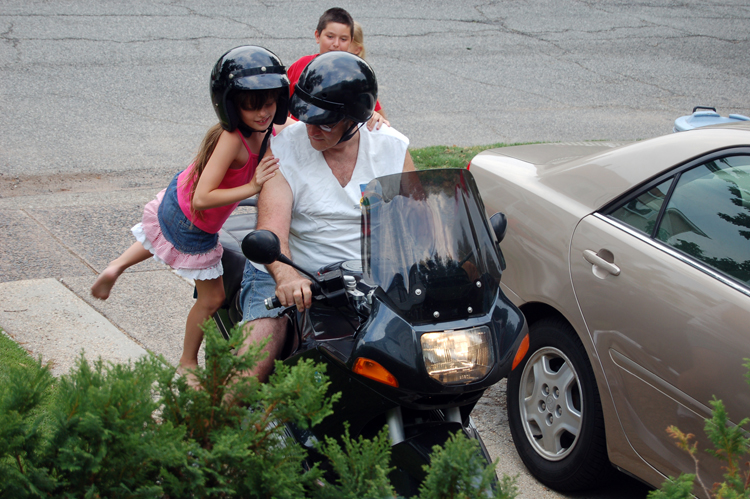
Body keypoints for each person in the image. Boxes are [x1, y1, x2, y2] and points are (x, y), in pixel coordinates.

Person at [91, 46, 290, 377]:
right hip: (194, 220)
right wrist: (252, 187)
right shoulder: (232, 138)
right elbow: (202, 198)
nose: (263, 114)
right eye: (252, 107)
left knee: (160, 235)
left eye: (269, 105)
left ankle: (117, 265)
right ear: (230, 105)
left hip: (176, 206)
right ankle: (186, 362)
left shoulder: (263, 128)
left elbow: (295, 124)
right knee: (213, 300)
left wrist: (370, 117)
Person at [239, 51, 415, 382]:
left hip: (370, 284)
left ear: (355, 119)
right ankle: (213, 429)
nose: (312, 130)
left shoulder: (390, 149)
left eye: (326, 122)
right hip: (291, 269)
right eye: (307, 118)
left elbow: (419, 222)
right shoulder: (285, 150)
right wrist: (287, 278)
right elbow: (272, 230)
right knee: (250, 369)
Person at [286, 7, 388, 128]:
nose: (336, 44)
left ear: (351, 41)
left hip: (336, 142)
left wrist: (376, 117)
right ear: (317, 36)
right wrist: (297, 129)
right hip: (300, 138)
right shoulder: (301, 66)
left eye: (343, 39)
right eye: (330, 37)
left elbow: (380, 120)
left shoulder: (357, 77)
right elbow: (281, 110)